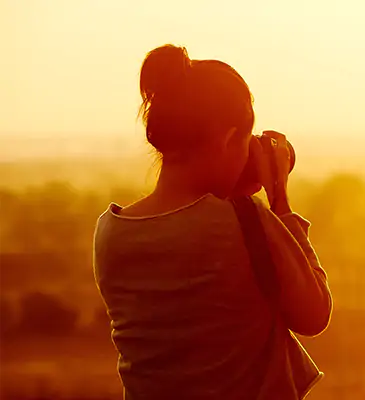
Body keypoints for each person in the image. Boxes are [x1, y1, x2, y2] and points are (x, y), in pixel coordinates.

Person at [92, 44, 332, 400]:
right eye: (244, 144)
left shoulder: (110, 232)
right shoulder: (244, 220)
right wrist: (279, 199)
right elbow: (314, 314)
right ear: (227, 139)